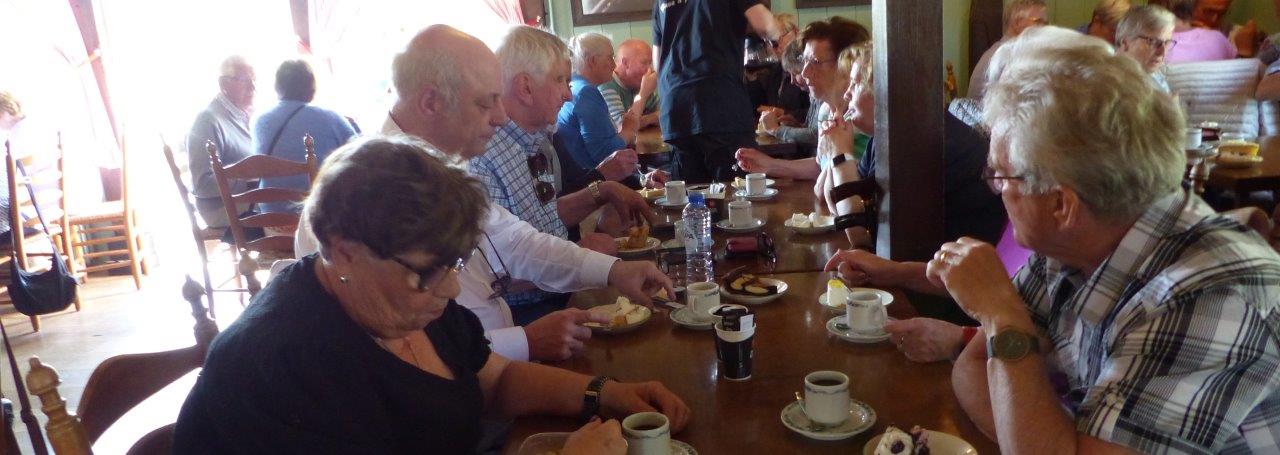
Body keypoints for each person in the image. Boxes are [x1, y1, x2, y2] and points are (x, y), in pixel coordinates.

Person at [833, 27, 1280, 453]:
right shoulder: (1073, 241)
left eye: (1000, 174)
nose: (994, 187)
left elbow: (1002, 374)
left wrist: (1002, 316)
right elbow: (974, 371)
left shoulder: (1209, 298)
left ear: (1062, 203)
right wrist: (1031, 428)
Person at [173, 136, 690, 454]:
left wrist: (605, 392)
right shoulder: (283, 368)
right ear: (343, 250)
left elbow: (495, 379)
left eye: (455, 264)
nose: (450, 288)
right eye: (427, 272)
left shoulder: (406, 303)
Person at [295, 25, 674, 364]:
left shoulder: (439, 166)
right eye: (484, 102)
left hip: (494, 364)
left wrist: (614, 270)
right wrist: (523, 342)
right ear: (431, 102)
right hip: (469, 388)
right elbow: (396, 354)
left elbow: (517, 243)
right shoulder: (368, 188)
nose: (500, 116)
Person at [472, 26, 658, 323]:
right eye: (560, 80)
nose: (568, 95)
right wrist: (579, 256)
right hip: (529, 315)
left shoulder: (536, 140)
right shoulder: (482, 156)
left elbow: (539, 220)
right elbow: (491, 273)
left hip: (560, 292)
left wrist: (601, 191)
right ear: (525, 87)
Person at [736, 17, 871, 189]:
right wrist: (769, 165)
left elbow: (855, 184)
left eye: (815, 62)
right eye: (805, 60)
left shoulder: (863, 118)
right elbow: (821, 165)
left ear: (847, 63)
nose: (805, 72)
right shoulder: (825, 110)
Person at [654, 0, 778, 183]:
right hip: (720, 102)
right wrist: (779, 33)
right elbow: (765, 25)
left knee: (691, 195)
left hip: (675, 109)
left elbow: (658, 62)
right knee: (738, 191)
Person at [253, 59, 357, 213]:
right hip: (317, 217)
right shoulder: (330, 118)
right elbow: (361, 157)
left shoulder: (259, 121)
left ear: (277, 87)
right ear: (311, 88)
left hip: (270, 216)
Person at [187, 55, 257, 228]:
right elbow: (202, 184)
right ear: (223, 84)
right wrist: (250, 181)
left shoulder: (240, 115)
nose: (253, 87)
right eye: (244, 81)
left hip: (243, 199)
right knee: (283, 206)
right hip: (220, 208)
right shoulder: (208, 120)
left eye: (254, 80)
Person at [556, 33, 638, 172]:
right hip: (590, 178)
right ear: (593, 61)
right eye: (610, 58)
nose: (614, 65)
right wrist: (628, 130)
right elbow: (605, 154)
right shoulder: (586, 92)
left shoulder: (575, 86)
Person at [967, 0, 1047, 100]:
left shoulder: (999, 51)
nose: (1045, 29)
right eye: (1038, 22)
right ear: (1018, 22)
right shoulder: (1013, 57)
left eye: (1046, 24)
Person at [758, 39, 818, 147]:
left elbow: (816, 136)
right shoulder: (814, 96)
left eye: (795, 73)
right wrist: (797, 125)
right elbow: (813, 129)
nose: (792, 81)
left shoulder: (825, 94)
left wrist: (776, 130)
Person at [598, 39, 659, 130]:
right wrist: (643, 94)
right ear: (625, 63)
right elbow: (622, 127)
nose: (650, 70)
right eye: (644, 63)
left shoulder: (637, 82)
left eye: (650, 63)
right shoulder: (606, 85)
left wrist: (645, 120)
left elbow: (667, 113)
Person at [1115, 5, 1177, 93]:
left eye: (1167, 43)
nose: (1162, 52)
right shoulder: (1109, 83)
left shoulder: (1152, 72)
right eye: (1153, 42)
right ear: (1125, 43)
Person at [1156, 0, 1237, 63]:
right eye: (1208, 12)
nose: (1214, 19)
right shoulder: (1158, 44)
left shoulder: (1221, 40)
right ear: (1192, 6)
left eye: (1221, 14)